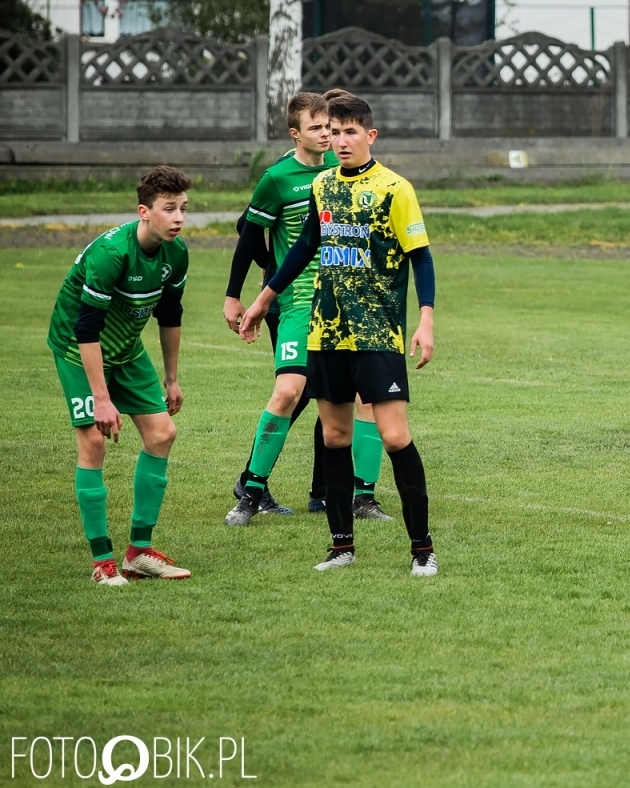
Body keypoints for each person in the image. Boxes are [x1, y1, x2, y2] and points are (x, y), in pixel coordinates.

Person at [241, 95, 439, 575]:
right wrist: (263, 299)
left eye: (350, 132)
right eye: (334, 131)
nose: (340, 140)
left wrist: (426, 319)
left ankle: (423, 550)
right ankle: (341, 546)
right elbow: (305, 246)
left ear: (370, 136)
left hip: (377, 333)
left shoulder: (395, 188)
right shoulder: (323, 185)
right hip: (327, 331)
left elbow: (421, 256)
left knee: (395, 436)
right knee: (334, 435)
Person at [223, 92, 395, 525]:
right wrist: (256, 286)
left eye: (331, 127)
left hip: (347, 300)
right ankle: (251, 490)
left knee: (352, 397)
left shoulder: (343, 172)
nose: (327, 135)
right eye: (318, 127)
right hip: (298, 300)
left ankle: (354, 496)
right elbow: (249, 229)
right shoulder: (281, 177)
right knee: (291, 392)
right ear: (295, 133)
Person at [48, 166, 193, 584]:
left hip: (127, 350)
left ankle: (139, 554)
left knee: (162, 434)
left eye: (183, 208)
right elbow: (86, 329)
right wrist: (102, 398)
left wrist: (171, 378)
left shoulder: (176, 254)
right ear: (144, 212)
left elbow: (170, 314)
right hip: (78, 350)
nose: (179, 218)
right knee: (94, 442)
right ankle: (102, 562)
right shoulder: (112, 254)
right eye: (169, 209)